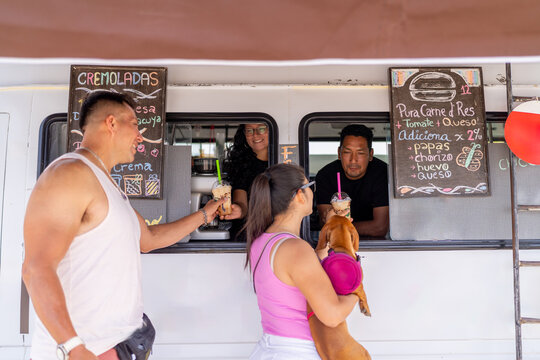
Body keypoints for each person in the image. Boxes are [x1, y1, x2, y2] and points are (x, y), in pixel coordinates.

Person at [22, 91, 225, 360]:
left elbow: (149, 238)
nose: (140, 136)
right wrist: (73, 347)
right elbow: (36, 268)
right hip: (85, 351)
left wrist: (206, 214)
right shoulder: (69, 174)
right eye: (134, 124)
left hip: (118, 346)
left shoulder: (108, 184)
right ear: (111, 123)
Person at [245, 163, 359, 359]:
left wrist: (330, 230)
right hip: (297, 352)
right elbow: (332, 316)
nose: (312, 193)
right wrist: (357, 292)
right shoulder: (296, 249)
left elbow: (300, 272)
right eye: (310, 187)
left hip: (270, 348)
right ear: (299, 195)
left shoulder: (262, 241)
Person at [315, 124, 389, 238]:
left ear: (370, 155)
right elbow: (325, 223)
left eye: (360, 153)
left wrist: (340, 227)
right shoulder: (326, 175)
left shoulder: (383, 173)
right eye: (347, 152)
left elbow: (380, 228)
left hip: (378, 244)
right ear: (339, 153)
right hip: (337, 243)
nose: (353, 159)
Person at [223, 123, 269, 238]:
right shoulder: (242, 165)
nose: (256, 135)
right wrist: (238, 210)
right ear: (244, 134)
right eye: (249, 130)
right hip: (249, 234)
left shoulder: (284, 160)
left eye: (261, 129)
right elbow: (241, 202)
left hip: (278, 234)